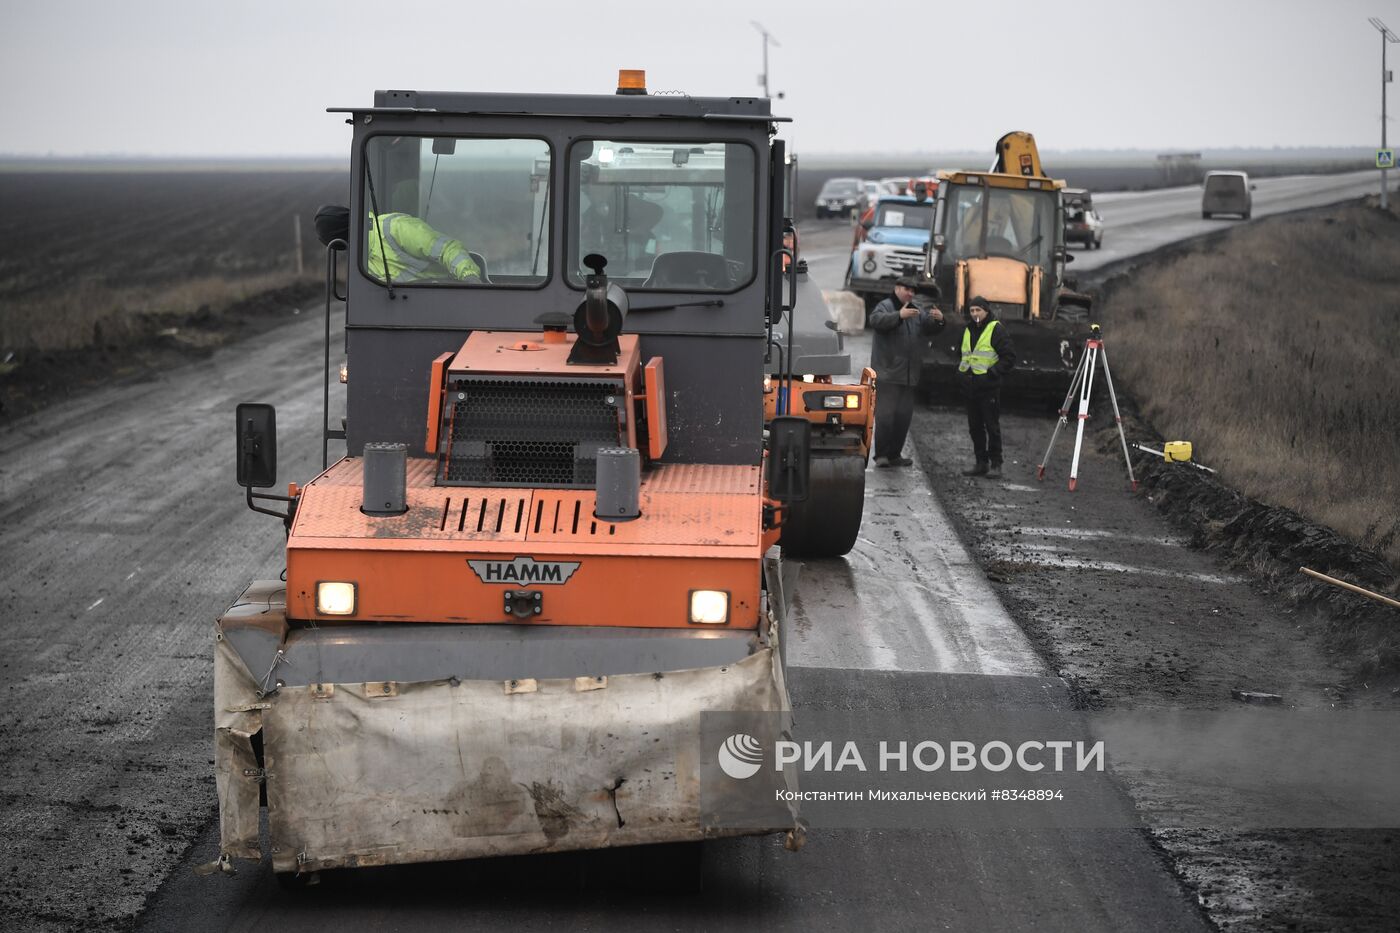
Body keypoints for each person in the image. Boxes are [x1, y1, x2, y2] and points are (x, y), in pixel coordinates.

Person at [868, 275, 944, 467]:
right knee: (886, 416)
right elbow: (876, 321)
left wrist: (940, 321)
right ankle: (882, 455)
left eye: (912, 291)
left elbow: (928, 327)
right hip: (888, 373)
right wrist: (898, 317)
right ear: (897, 289)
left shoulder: (916, 309)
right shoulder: (885, 306)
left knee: (903, 417)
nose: (910, 293)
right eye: (906, 289)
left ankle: (894, 454)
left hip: (909, 374)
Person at [957, 296, 1016, 479]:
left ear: (986, 311)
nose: (974, 314)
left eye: (978, 310)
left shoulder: (996, 329)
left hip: (988, 387)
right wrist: (960, 374)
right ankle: (981, 463)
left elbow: (1009, 357)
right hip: (970, 387)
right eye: (972, 310)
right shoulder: (968, 329)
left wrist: (993, 373)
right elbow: (964, 354)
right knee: (975, 427)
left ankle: (996, 464)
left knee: (992, 427)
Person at [366, 210, 481, 284]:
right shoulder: (361, 264)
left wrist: (469, 278)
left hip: (447, 292)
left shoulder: (396, 228)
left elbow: (447, 249)